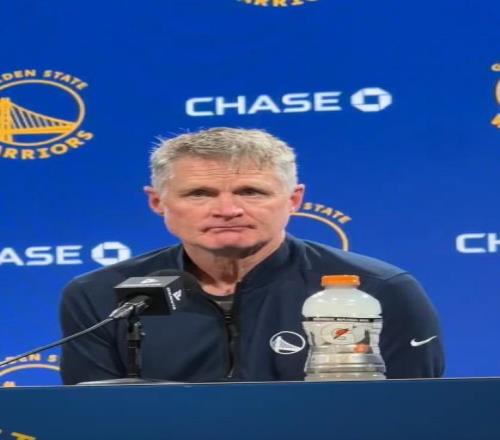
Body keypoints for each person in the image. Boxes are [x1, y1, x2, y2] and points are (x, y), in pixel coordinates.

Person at [59, 127, 444, 384]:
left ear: (294, 199)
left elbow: (412, 417)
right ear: (157, 202)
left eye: (251, 192)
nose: (227, 210)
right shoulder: (100, 294)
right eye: (200, 194)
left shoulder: (379, 290)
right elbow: (91, 422)